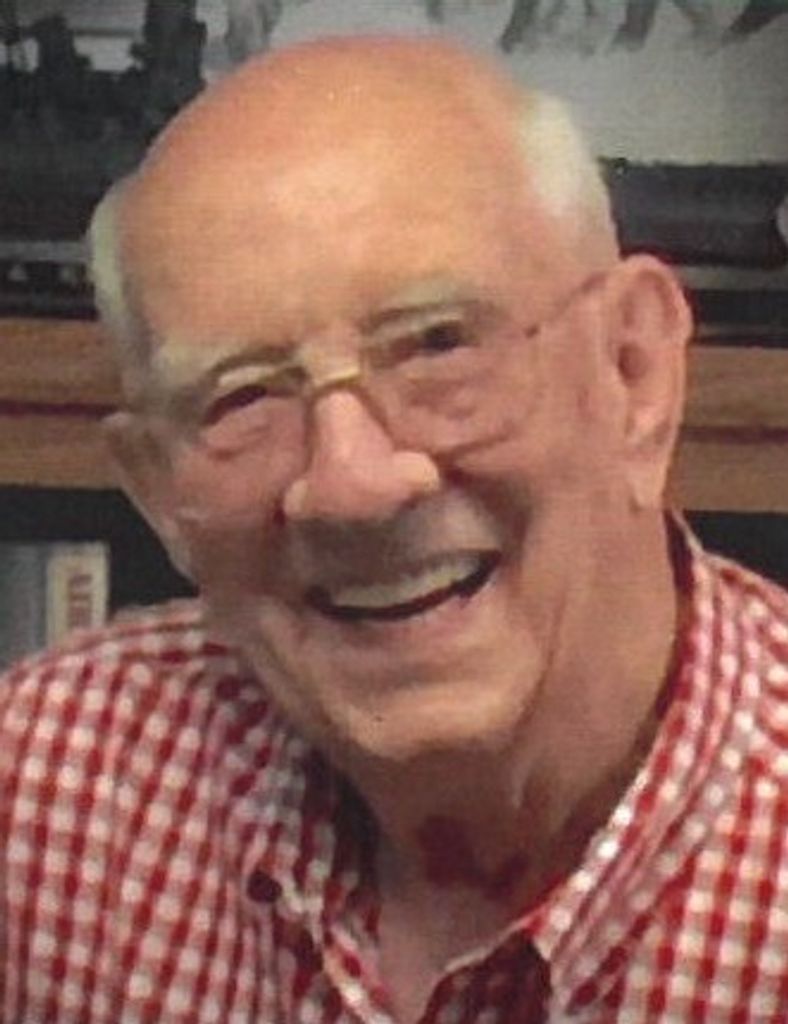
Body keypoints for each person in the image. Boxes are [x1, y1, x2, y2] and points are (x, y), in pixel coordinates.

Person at [1, 34, 786, 1024]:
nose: (351, 484)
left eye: (436, 346)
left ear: (633, 372)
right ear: (160, 494)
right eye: (241, 398)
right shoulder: (48, 793)